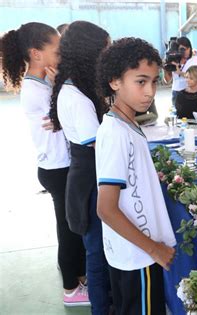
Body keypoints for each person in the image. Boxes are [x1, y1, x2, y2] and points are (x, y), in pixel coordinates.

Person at [1, 22, 88, 306]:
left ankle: (78, 275)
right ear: (36, 53)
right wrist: (57, 88)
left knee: (72, 227)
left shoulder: (41, 84)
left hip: (57, 165)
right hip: (57, 168)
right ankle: (71, 290)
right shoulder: (36, 89)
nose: (61, 52)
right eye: (56, 48)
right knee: (69, 230)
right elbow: (63, 119)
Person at [96, 37, 176, 315]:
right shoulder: (117, 134)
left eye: (154, 82)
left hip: (131, 251)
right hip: (139, 255)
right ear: (115, 81)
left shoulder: (126, 123)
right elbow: (106, 208)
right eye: (141, 82)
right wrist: (154, 249)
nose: (150, 91)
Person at [49, 21, 111, 314]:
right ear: (90, 53)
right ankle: (102, 308)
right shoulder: (76, 96)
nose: (107, 57)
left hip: (87, 173)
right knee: (97, 256)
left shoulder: (77, 86)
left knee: (98, 252)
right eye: (104, 51)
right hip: (89, 180)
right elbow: (101, 147)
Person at [163, 36, 197, 106]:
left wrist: (180, 72)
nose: (184, 52)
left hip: (191, 92)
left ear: (190, 48)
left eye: (185, 49)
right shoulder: (174, 59)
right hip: (176, 92)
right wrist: (166, 69)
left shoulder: (195, 60)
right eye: (181, 49)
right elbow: (167, 81)